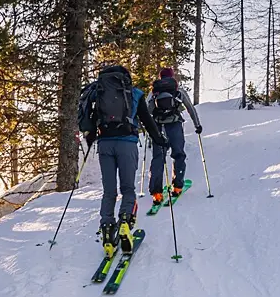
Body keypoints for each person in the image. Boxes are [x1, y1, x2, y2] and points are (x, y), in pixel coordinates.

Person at [80, 64, 168, 256]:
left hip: (105, 145)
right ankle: (125, 223)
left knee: (109, 191)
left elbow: (89, 116)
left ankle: (106, 230)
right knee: (128, 188)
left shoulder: (98, 91)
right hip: (127, 144)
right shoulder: (134, 93)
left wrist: (91, 135)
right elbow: (147, 120)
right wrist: (159, 140)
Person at [147, 67, 202, 205]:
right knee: (178, 154)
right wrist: (197, 125)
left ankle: (157, 194)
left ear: (160, 77)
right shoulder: (178, 91)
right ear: (172, 77)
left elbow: (147, 111)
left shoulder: (154, 92)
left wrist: (150, 129)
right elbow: (190, 107)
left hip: (158, 127)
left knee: (158, 158)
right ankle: (177, 187)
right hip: (175, 125)